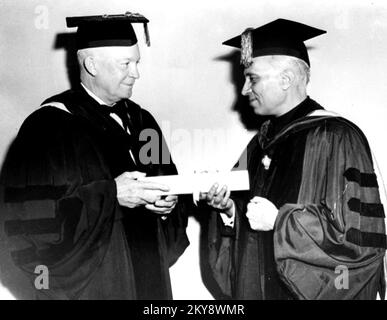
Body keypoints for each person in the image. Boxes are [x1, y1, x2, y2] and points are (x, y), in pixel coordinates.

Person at [0, 13, 189, 300]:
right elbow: (29, 222)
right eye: (126, 64)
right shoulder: (48, 128)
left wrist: (168, 205)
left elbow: (169, 184)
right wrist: (112, 194)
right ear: (91, 65)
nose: (136, 73)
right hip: (92, 288)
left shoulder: (143, 124)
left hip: (149, 283)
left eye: (137, 63)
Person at [201, 18, 386, 300]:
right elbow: (245, 227)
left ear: (286, 80)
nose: (244, 90)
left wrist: (280, 221)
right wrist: (228, 211)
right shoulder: (258, 144)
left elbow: (359, 242)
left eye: (252, 79)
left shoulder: (335, 137)